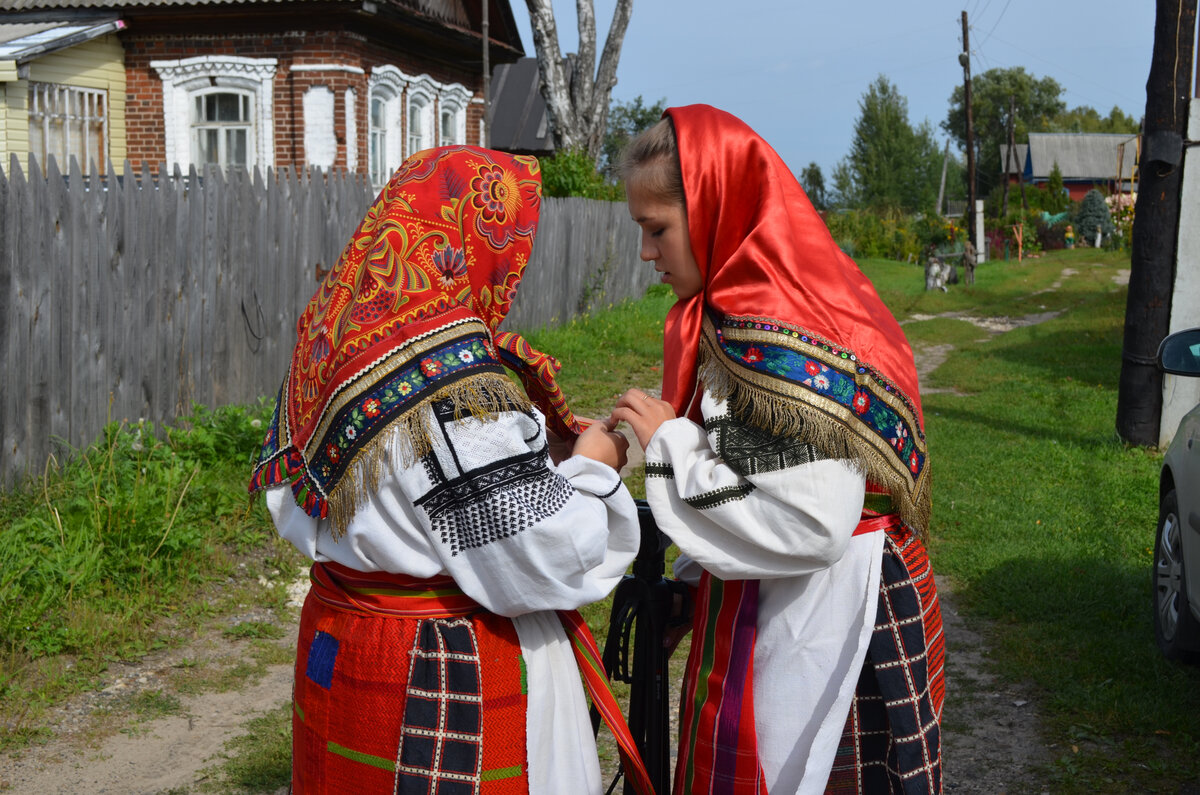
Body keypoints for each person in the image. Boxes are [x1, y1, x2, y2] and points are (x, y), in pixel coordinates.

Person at [249, 146, 653, 794]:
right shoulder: (454, 390)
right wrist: (590, 470)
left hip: (344, 641)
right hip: (432, 671)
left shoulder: (332, 343)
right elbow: (539, 553)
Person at [609, 106, 945, 794]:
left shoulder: (766, 339)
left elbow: (813, 518)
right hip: (826, 586)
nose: (647, 253)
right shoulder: (785, 297)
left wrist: (669, 445)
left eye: (658, 229)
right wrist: (692, 585)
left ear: (713, 210)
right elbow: (761, 468)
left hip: (833, 616)